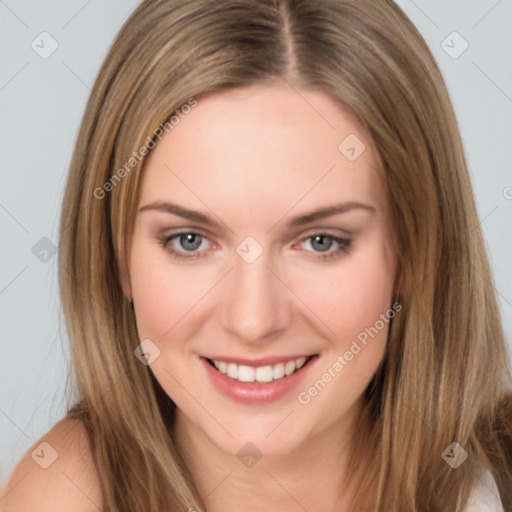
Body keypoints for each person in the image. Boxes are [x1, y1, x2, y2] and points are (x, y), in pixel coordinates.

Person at [1, 0, 511, 511]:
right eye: (189, 240)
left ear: (415, 253)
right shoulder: (61, 494)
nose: (253, 320)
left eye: (320, 241)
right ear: (116, 258)